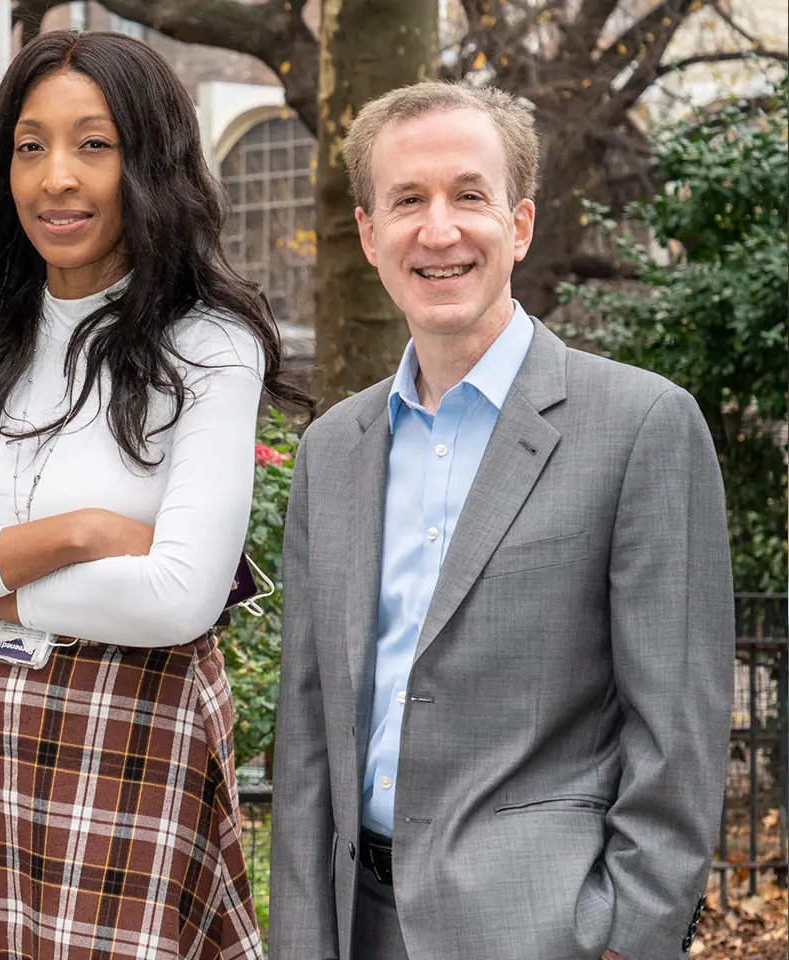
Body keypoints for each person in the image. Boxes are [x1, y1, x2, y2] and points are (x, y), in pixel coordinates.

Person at [0, 31, 300, 958]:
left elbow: (179, 599)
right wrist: (81, 536)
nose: (58, 177)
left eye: (94, 144)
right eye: (30, 145)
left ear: (151, 162)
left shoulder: (208, 350)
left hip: (131, 738)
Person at [268, 81, 733, 960]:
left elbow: (677, 738)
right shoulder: (332, 451)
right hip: (354, 924)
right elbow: (307, 738)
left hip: (546, 929)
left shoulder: (640, 426)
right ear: (370, 235)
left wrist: (627, 938)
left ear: (518, 225)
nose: (438, 230)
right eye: (407, 200)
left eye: (468, 196)